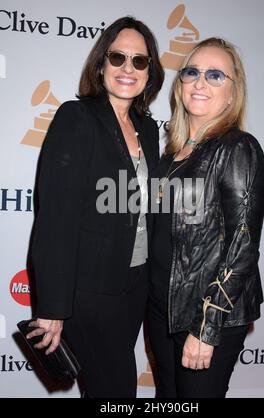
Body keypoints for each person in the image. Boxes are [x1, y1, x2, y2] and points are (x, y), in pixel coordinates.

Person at [27, 16, 164, 398]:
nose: (127, 69)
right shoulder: (77, 118)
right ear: (101, 63)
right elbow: (56, 216)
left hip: (134, 286)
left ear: (149, 71)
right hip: (87, 291)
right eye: (117, 57)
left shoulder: (148, 128)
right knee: (116, 390)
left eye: (139, 61)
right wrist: (53, 307)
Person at [147, 37, 264, 398]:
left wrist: (207, 326)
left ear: (233, 94)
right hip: (162, 310)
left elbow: (242, 246)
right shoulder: (171, 155)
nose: (200, 82)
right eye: (192, 72)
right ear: (180, 83)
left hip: (205, 313)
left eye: (216, 75)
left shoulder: (238, 148)